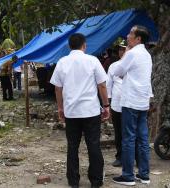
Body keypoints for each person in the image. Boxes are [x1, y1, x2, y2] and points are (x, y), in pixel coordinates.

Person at [50, 33, 110, 188]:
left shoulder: (62, 62)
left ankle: (73, 180)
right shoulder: (92, 60)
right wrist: (106, 106)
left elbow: (58, 88)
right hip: (90, 111)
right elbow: (102, 85)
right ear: (84, 45)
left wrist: (60, 108)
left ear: (70, 46)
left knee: (72, 146)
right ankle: (96, 181)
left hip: (72, 112)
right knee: (94, 145)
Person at [112, 25, 153, 186]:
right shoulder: (147, 55)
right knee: (142, 139)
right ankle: (144, 175)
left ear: (138, 39)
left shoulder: (132, 53)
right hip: (143, 101)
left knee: (128, 139)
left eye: (130, 34)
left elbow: (117, 71)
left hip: (130, 101)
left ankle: (128, 176)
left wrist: (126, 54)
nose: (127, 36)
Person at [106, 42, 127, 167]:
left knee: (132, 133)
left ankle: (135, 157)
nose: (122, 52)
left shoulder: (134, 65)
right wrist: (107, 104)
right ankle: (119, 156)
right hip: (116, 105)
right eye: (120, 49)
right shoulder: (113, 66)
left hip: (131, 105)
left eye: (124, 49)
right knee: (118, 132)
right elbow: (108, 86)